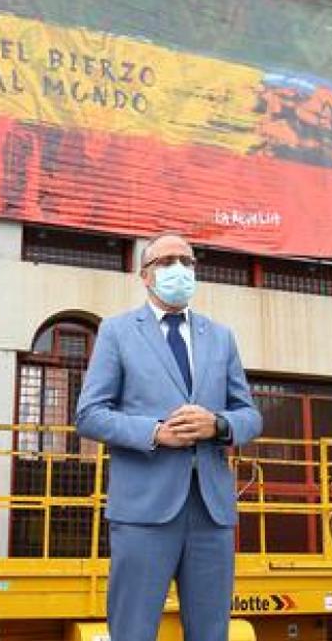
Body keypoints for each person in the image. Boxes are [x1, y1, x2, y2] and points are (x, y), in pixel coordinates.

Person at [76, 233, 263, 641]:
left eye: (186, 260)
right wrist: (155, 433)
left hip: (210, 511)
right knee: (133, 630)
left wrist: (219, 425)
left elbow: (250, 415)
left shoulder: (221, 336)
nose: (178, 269)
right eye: (165, 261)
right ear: (145, 276)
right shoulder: (118, 332)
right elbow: (89, 414)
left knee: (211, 632)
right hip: (143, 509)